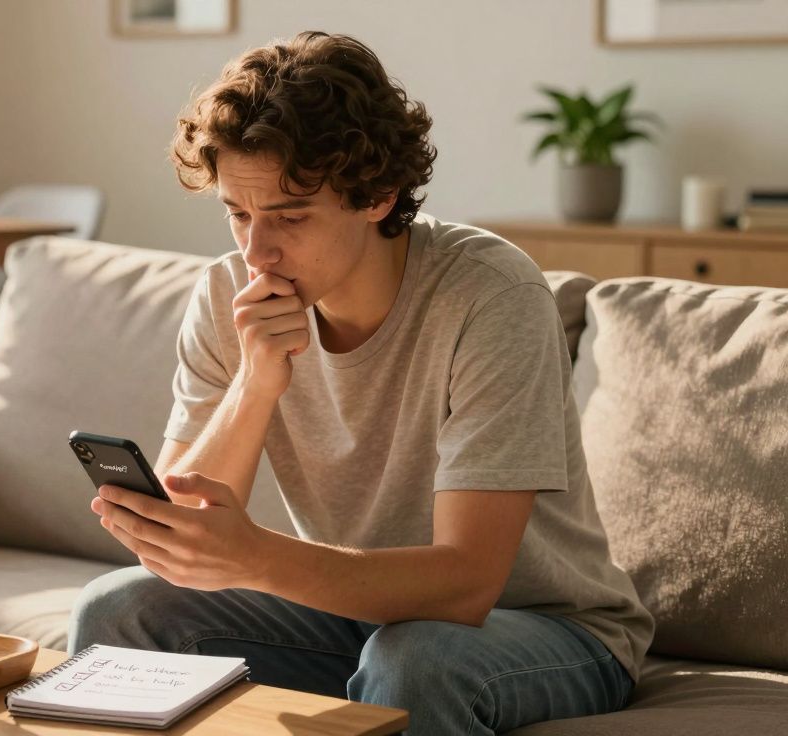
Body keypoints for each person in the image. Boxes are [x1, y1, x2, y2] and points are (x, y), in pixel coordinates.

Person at [68, 31, 653, 735]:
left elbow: (467, 585)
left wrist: (254, 554)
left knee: (415, 660)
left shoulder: (489, 293)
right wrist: (256, 383)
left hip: (547, 630)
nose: (255, 250)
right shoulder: (227, 292)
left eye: (288, 216)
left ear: (378, 195)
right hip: (358, 617)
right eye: (238, 212)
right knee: (116, 610)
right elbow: (184, 540)